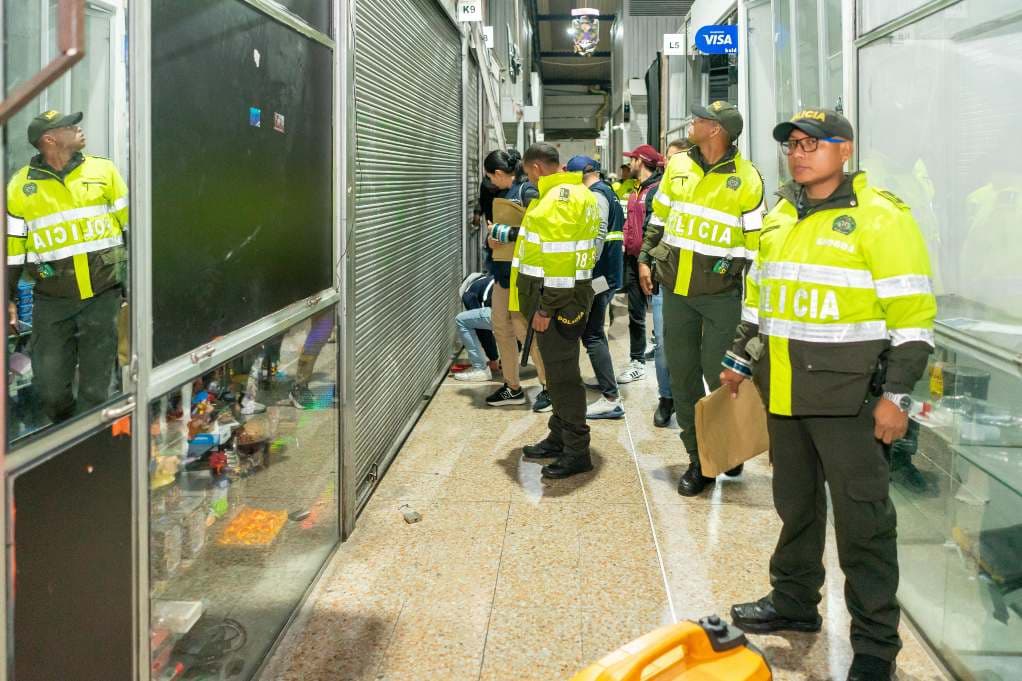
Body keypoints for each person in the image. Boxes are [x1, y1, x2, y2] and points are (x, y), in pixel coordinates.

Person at [722, 109, 937, 681]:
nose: (800, 152)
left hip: (852, 402)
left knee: (864, 526)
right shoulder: (781, 216)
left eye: (814, 143)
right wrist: (741, 358)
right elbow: (761, 300)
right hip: (786, 394)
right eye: (793, 144)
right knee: (796, 508)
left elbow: (913, 319)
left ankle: (875, 647)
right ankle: (794, 601)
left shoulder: (880, 218)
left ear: (845, 150)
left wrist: (898, 396)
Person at [640, 101, 765, 496]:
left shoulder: (747, 179)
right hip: (677, 292)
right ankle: (700, 460)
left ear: (717, 130)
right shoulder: (677, 167)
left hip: (720, 297)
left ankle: (728, 445)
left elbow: (756, 245)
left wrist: (738, 280)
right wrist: (645, 256)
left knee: (722, 375)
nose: (691, 123)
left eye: (699, 120)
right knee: (682, 377)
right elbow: (659, 218)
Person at [7, 110, 128, 423]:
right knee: (49, 387)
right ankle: (67, 435)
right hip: (51, 299)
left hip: (103, 295)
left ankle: (90, 451)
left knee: (97, 388)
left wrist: (135, 285)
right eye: (70, 127)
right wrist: (7, 298)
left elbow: (131, 229)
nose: (78, 129)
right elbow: (13, 251)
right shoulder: (20, 188)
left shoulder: (104, 171)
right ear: (50, 139)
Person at [510, 143, 599, 478]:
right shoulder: (578, 193)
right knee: (561, 370)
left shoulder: (555, 202)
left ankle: (577, 450)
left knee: (562, 377)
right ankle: (559, 436)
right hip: (567, 297)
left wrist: (545, 308)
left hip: (556, 301)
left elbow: (560, 264)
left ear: (535, 168)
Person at [481, 149, 551, 411]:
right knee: (502, 328)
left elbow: (541, 229)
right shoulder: (502, 194)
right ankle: (512, 386)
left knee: (525, 331)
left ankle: (549, 387)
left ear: (499, 173)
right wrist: (492, 238)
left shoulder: (528, 192)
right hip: (502, 273)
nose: (490, 181)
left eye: (490, 176)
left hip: (522, 275)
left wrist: (502, 232)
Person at [564, 156, 625, 420]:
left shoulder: (597, 196)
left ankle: (611, 398)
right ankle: (606, 384)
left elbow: (597, 234)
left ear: (581, 175)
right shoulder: (609, 192)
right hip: (607, 273)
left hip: (598, 276)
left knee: (592, 334)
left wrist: (584, 271)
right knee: (593, 332)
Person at [617, 144, 664, 389]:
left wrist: (646, 258)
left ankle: (660, 355)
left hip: (651, 261)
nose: (629, 164)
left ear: (641, 161)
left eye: (632, 160)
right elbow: (631, 222)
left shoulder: (656, 191)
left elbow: (653, 229)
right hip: (633, 259)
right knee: (636, 313)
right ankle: (637, 362)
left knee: (657, 312)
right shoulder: (638, 188)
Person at [453, 273, 498, 382]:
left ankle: (480, 369)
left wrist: (493, 358)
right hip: (523, 313)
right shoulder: (490, 279)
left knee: (462, 320)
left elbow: (483, 330)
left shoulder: (469, 292)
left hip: (503, 314)